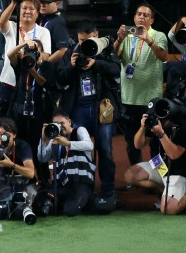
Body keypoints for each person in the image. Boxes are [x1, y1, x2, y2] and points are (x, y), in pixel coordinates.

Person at [57, 20, 121, 197]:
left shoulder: (106, 50)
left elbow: (117, 70)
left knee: (105, 148)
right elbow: (60, 79)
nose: (84, 45)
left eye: (88, 40)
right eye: (81, 41)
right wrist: (71, 66)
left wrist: (96, 63)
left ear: (96, 35)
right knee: (78, 148)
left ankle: (108, 189)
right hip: (78, 109)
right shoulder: (72, 52)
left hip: (102, 109)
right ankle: (81, 188)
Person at [113, 2, 167, 166]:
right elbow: (115, 55)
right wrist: (119, 39)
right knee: (131, 143)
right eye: (139, 14)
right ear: (134, 17)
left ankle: (160, 178)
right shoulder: (127, 36)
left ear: (152, 20)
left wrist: (148, 40)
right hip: (129, 98)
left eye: (146, 15)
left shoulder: (158, 36)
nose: (141, 17)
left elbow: (164, 56)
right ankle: (138, 176)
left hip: (151, 99)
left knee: (155, 142)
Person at [124, 102, 186, 215]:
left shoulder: (183, 126)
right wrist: (142, 128)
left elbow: (174, 155)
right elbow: (138, 145)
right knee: (130, 175)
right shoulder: (154, 124)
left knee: (168, 209)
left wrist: (161, 134)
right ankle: (162, 189)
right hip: (160, 166)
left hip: (179, 171)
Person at [0, 0, 51, 118]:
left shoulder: (43, 31)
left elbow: (46, 56)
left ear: (37, 13)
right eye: (24, 8)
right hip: (8, 83)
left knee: (26, 123)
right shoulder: (12, 26)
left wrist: (32, 59)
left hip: (30, 86)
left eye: (31, 9)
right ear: (19, 11)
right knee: (4, 122)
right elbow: (1, 22)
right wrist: (13, 3)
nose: (27, 11)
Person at [38, 110, 96, 216]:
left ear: (69, 121)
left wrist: (67, 143)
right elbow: (42, 158)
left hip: (80, 183)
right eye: (56, 124)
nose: (59, 126)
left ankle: (85, 199)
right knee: (39, 203)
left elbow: (89, 145)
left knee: (70, 211)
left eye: (62, 123)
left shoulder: (79, 131)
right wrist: (43, 138)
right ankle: (68, 202)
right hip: (62, 184)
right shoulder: (54, 139)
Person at [6, 39, 51, 170]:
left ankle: (42, 177)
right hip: (20, 111)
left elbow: (43, 82)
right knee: (20, 141)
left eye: (36, 52)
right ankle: (22, 174)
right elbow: (9, 55)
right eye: (29, 53)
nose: (32, 55)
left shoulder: (46, 66)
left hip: (38, 111)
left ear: (42, 53)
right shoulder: (21, 65)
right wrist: (24, 45)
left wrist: (32, 70)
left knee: (37, 143)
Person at [0, 117, 36, 221]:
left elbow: (31, 173)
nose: (3, 137)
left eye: (6, 134)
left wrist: (11, 165)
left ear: (14, 135)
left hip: (22, 179)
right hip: (3, 179)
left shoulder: (22, 146)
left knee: (32, 200)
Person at [39, 0, 70, 117]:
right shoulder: (45, 20)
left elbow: (63, 50)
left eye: (47, 2)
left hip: (53, 79)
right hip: (45, 76)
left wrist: (44, 63)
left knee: (51, 114)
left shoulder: (57, 22)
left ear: (57, 3)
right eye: (41, 1)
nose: (43, 4)